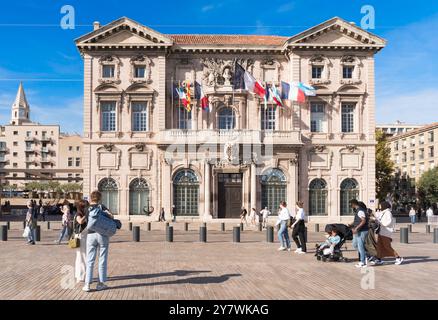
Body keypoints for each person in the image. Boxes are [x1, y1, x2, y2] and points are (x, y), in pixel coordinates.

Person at [83, 191, 113, 292]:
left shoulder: (87, 208)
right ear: (99, 198)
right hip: (102, 234)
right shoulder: (102, 207)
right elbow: (111, 216)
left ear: (91, 198)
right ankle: (101, 283)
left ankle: (87, 284)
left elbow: (84, 221)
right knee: (102, 259)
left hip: (90, 235)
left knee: (90, 260)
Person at [370, 201, 404, 265]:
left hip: (386, 232)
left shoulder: (388, 213)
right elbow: (378, 217)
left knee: (387, 246)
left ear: (384, 206)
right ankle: (378, 258)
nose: (380, 207)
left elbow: (387, 222)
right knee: (379, 246)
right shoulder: (384, 212)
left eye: (381, 205)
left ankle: (398, 257)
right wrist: (374, 217)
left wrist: (378, 221)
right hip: (381, 232)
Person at [349, 199, 369, 268]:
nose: (350, 206)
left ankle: (363, 262)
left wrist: (356, 228)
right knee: (354, 244)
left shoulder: (360, 211)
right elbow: (358, 220)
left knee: (360, 246)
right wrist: (351, 225)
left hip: (362, 231)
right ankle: (367, 255)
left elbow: (363, 221)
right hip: (357, 231)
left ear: (354, 204)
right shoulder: (358, 210)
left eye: (351, 204)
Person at [74, 200, 89, 283]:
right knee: (82, 256)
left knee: (80, 256)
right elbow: (80, 221)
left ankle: (79, 275)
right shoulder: (78, 214)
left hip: (82, 236)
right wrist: (86, 215)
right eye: (86, 206)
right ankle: (81, 276)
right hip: (81, 237)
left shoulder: (81, 214)